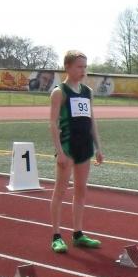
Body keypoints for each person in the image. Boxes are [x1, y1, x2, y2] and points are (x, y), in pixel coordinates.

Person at [49, 50, 104, 253]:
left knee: (81, 190)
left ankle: (78, 233)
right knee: (60, 191)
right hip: (67, 147)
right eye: (79, 67)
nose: (83, 70)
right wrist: (59, 151)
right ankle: (56, 236)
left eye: (85, 67)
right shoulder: (59, 92)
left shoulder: (87, 92)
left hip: (84, 146)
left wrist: (98, 147)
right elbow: (52, 123)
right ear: (68, 67)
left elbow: (92, 121)